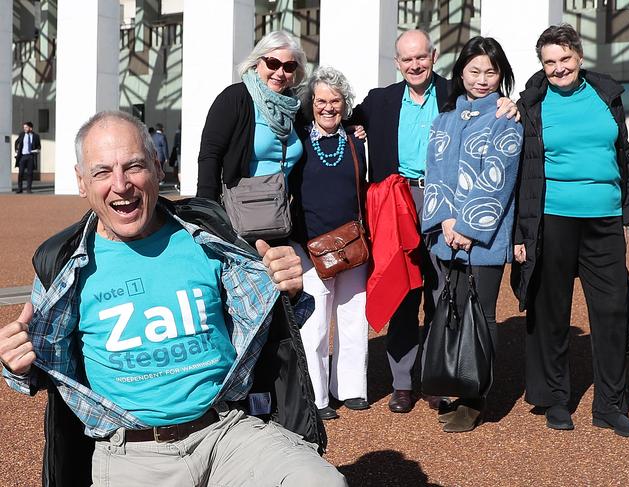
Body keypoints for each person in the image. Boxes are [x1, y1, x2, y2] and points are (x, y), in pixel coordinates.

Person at [0, 111, 348, 486]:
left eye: (134, 166)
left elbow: (271, 320)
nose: (121, 185)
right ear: (82, 183)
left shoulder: (210, 237)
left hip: (226, 433)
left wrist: (287, 289)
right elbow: (37, 371)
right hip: (130, 453)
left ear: (158, 167)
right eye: (102, 172)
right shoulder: (62, 265)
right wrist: (16, 364)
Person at [350, 29, 517, 414]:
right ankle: (403, 383)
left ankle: (438, 377)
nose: (415, 65)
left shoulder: (455, 93)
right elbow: (338, 117)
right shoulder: (379, 100)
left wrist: (515, 106)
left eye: (421, 57)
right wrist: (355, 129)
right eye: (407, 59)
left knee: (443, 294)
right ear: (396, 62)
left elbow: (492, 103)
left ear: (434, 56)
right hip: (398, 201)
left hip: (446, 202)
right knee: (402, 292)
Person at [512, 23, 629, 437]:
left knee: (611, 311)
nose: (558, 68)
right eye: (549, 62)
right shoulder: (532, 103)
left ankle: (609, 404)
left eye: (565, 59)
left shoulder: (607, 95)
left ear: (579, 57)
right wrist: (521, 233)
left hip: (603, 219)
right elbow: (522, 173)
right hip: (553, 218)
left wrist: (624, 216)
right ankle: (555, 399)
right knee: (551, 312)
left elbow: (621, 156)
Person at [421, 36, 522, 432]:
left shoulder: (503, 117)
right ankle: (454, 379)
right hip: (448, 235)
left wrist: (467, 227)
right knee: (452, 308)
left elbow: (499, 178)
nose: (482, 80)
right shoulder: (445, 118)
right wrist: (446, 222)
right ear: (460, 72)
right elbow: (436, 175)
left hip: (485, 236)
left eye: (490, 72)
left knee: (482, 314)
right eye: (474, 71)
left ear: (501, 75)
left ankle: (477, 396)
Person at [289, 66, 369, 421]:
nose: (327, 107)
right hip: (311, 247)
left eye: (335, 101)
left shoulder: (356, 141)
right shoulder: (298, 142)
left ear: (345, 103)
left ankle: (351, 389)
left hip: (352, 244)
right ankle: (317, 396)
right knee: (316, 324)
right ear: (311, 103)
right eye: (321, 101)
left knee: (353, 317)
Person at [196, 31, 306, 203]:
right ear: (257, 62)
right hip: (244, 213)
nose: (280, 72)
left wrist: (352, 129)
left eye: (288, 66)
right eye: (273, 63)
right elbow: (210, 156)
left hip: (284, 214)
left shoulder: (295, 106)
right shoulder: (234, 98)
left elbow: (329, 116)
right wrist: (206, 210)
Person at [14, 121, 41, 194]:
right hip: (22, 156)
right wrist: (16, 150)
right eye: (24, 127)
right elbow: (16, 142)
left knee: (30, 173)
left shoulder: (36, 136)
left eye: (26, 127)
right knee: (21, 173)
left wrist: (37, 150)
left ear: (30, 128)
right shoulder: (22, 134)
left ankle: (28, 189)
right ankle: (20, 188)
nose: (24, 129)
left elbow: (39, 146)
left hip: (31, 156)